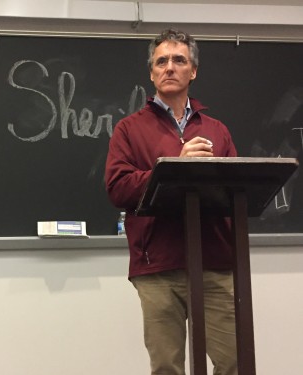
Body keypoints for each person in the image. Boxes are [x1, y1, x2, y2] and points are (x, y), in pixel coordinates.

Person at [105, 29, 238, 374]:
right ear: (151, 73)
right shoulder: (128, 130)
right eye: (161, 61)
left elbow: (236, 188)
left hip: (215, 263)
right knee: (166, 366)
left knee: (235, 361)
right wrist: (173, 168)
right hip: (157, 266)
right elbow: (118, 187)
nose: (169, 67)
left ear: (193, 71)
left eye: (179, 60)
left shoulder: (218, 130)